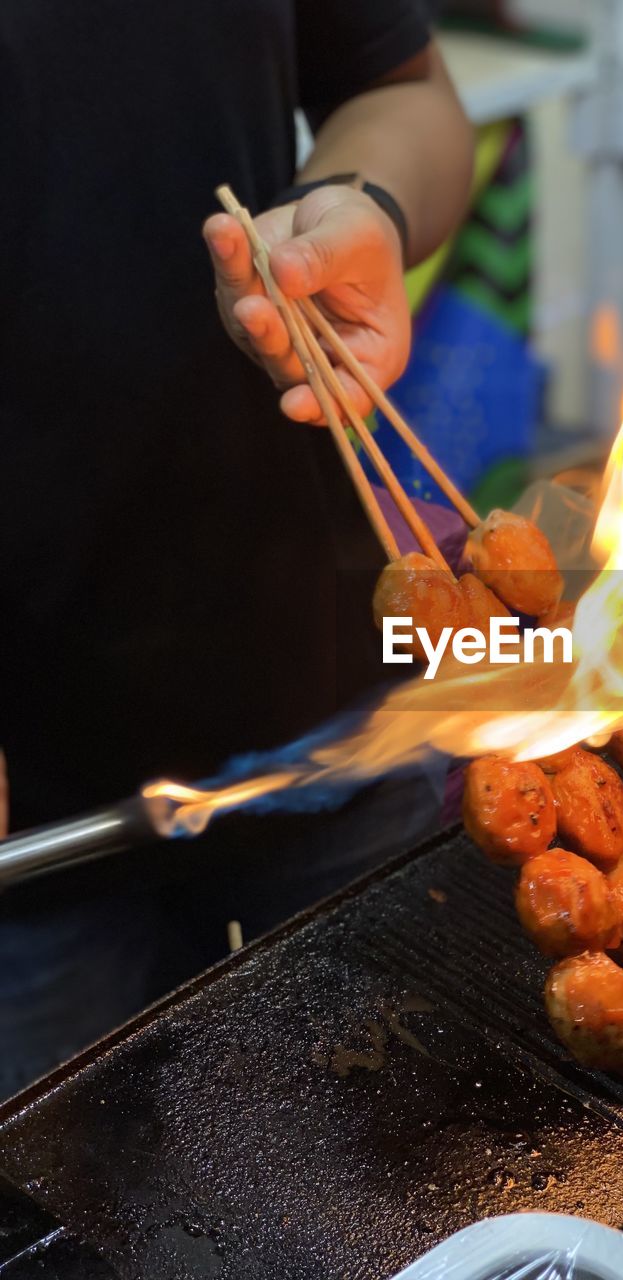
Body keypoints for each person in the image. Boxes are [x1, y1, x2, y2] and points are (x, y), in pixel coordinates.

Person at [0, 3, 473, 1096]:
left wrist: (362, 210)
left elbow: (402, 93)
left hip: (328, 697)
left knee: (413, 1149)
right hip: (33, 831)